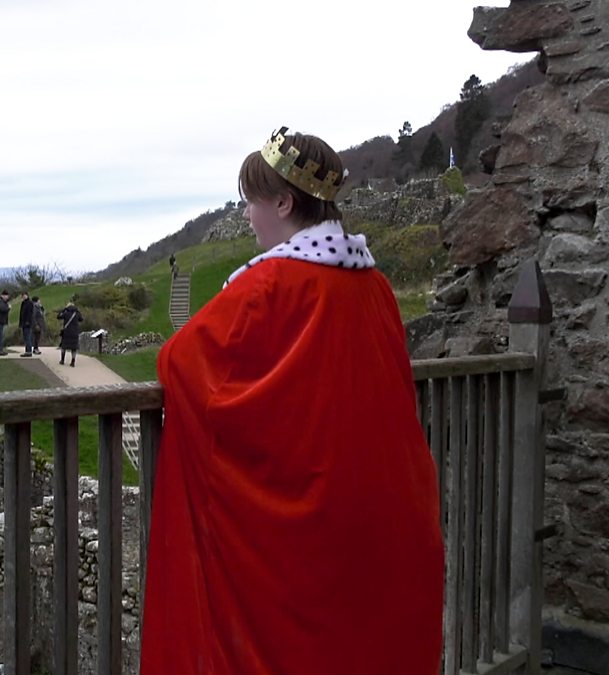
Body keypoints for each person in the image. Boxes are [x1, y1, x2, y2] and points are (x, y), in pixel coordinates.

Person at [140, 127, 443, 674]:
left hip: (310, 527)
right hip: (385, 507)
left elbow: (183, 362)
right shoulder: (373, 285)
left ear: (283, 203)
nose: (247, 215)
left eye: (252, 201)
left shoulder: (268, 286)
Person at [56, 302, 83, 367]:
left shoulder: (66, 313)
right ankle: (73, 361)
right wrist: (78, 311)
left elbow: (58, 317)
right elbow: (81, 319)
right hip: (75, 332)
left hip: (66, 332)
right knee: (74, 348)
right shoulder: (77, 313)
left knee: (64, 346)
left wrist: (63, 310)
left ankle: (62, 360)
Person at [18, 291, 35, 357]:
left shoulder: (29, 303)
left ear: (27, 295)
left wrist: (28, 321)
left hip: (27, 322)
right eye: (22, 296)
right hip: (23, 322)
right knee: (25, 337)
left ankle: (29, 351)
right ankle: (27, 350)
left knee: (27, 337)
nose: (23, 297)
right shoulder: (23, 303)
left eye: (24, 295)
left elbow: (30, 313)